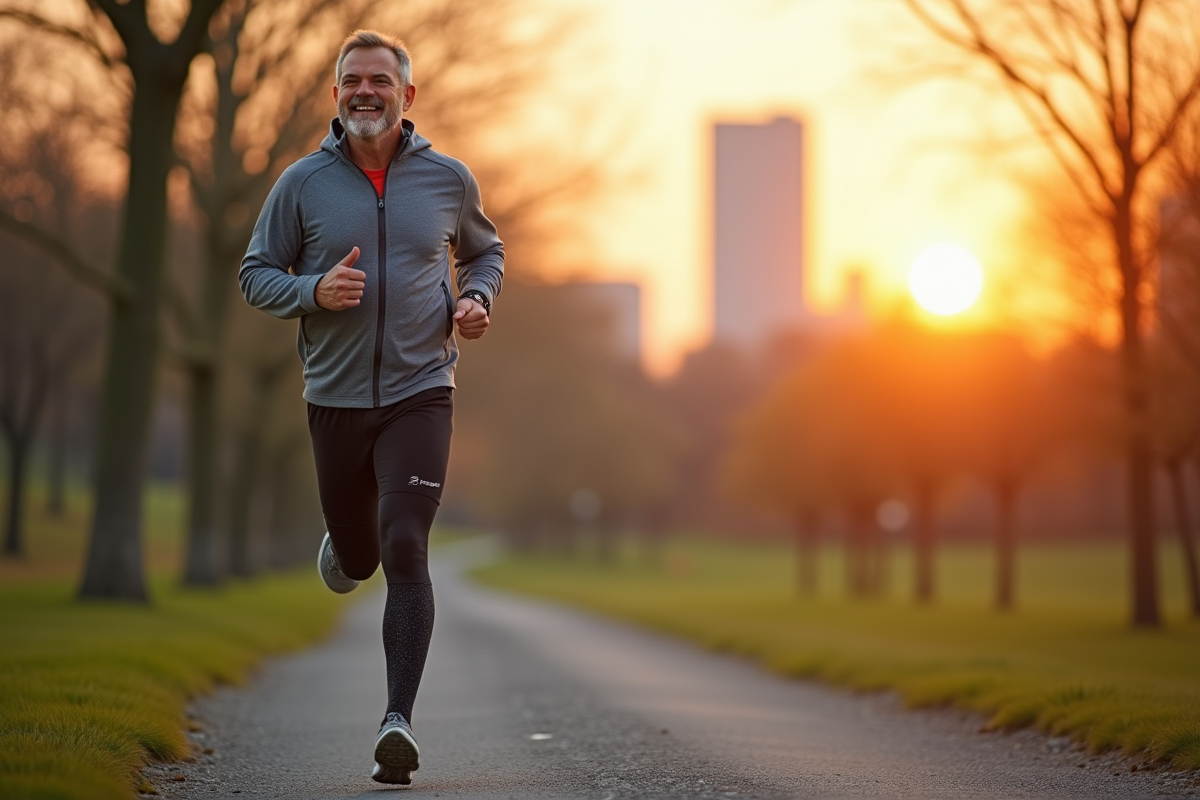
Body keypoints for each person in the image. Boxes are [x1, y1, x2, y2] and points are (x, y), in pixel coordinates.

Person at [239, 29, 503, 786]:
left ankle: (397, 723)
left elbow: (486, 251)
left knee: (405, 545)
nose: (365, 91)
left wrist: (477, 299)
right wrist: (310, 294)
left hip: (424, 392)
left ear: (407, 96)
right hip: (335, 398)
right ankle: (344, 547)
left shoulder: (448, 181)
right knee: (358, 557)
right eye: (352, 79)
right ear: (335, 95)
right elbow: (254, 273)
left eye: (379, 81)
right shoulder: (300, 185)